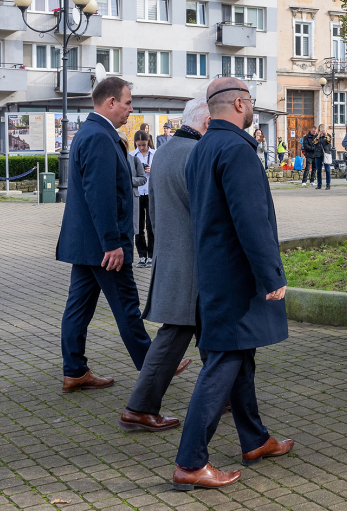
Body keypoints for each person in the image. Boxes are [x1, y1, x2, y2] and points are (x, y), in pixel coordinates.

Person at [172, 77, 292, 491]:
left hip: (215, 272)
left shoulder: (203, 146)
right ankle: (190, 462)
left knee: (240, 358)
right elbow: (251, 220)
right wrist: (271, 275)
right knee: (224, 362)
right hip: (236, 278)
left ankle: (255, 440)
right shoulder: (237, 149)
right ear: (240, 104)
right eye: (252, 101)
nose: (253, 107)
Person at [56, 77, 152, 393]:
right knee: (127, 304)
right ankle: (154, 368)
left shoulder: (94, 132)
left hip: (87, 243)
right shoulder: (99, 136)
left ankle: (75, 371)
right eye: (127, 102)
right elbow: (101, 195)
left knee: (78, 307)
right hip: (103, 245)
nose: (131, 108)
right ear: (110, 102)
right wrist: (113, 243)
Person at [120, 99, 210, 432]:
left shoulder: (168, 151)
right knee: (175, 334)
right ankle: (140, 407)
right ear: (207, 121)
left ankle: (224, 393)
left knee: (209, 330)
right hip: (192, 262)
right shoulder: (196, 154)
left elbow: (154, 212)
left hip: (172, 255)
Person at [130, 132, 156, 267]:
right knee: (138, 226)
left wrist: (153, 169)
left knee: (151, 225)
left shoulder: (155, 154)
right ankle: (142, 255)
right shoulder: (132, 156)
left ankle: (151, 255)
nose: (141, 148)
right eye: (139, 145)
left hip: (151, 193)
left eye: (144, 145)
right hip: (138, 193)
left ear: (148, 141)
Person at [122, 133, 148, 246]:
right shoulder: (110, 158)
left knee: (136, 228)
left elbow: (142, 179)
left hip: (135, 197)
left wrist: (127, 180)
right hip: (118, 198)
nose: (141, 147)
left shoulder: (133, 159)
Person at [313, 125, 332, 190]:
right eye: (321, 130)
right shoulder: (316, 136)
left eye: (323, 130)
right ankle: (319, 184)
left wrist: (325, 134)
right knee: (318, 170)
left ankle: (328, 184)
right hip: (318, 154)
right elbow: (314, 142)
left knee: (327, 170)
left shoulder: (328, 136)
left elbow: (329, 141)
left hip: (326, 154)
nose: (322, 131)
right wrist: (318, 135)